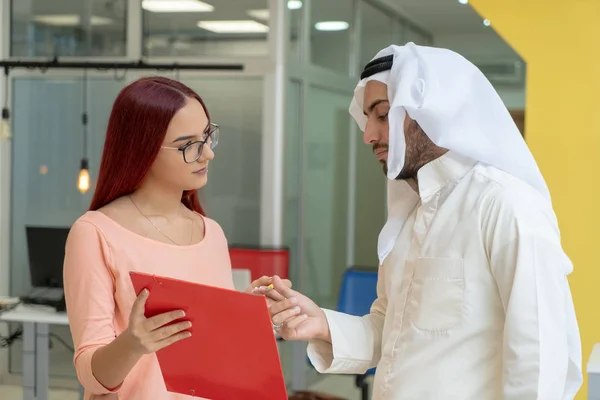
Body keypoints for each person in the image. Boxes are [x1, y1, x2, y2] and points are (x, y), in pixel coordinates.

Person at [267, 43, 582, 399]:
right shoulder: (409, 214)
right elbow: (393, 331)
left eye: (382, 115)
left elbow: (539, 362)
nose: (368, 135)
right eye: (367, 118)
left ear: (430, 111)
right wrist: (322, 325)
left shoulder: (505, 205)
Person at [63, 76, 289, 400]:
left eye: (208, 137)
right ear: (143, 150)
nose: (208, 154)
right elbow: (93, 377)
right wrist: (132, 344)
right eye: (189, 145)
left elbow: (213, 356)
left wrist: (247, 316)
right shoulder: (95, 233)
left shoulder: (210, 233)